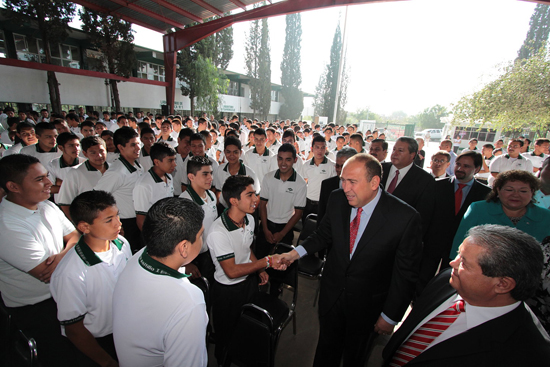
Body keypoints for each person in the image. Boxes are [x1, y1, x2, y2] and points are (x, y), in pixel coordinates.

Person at [279, 153, 423, 367]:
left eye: (352, 182)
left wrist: (390, 316)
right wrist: (293, 254)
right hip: (332, 294)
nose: (345, 187)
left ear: (375, 182)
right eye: (343, 180)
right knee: (326, 349)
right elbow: (323, 234)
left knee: (354, 357)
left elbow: (406, 274)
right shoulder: (338, 199)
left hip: (368, 306)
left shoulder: (404, 218)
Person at [383, 224, 550, 367]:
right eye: (458, 253)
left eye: (464, 262)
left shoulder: (529, 353)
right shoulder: (446, 280)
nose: (452, 263)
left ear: (502, 284)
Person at [0, 154, 80, 367]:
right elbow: (46, 274)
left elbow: (75, 236)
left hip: (62, 293)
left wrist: (60, 256)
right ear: (13, 187)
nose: (49, 183)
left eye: (46, 176)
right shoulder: (6, 224)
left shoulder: (46, 206)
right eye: (39, 179)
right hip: (36, 307)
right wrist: (69, 252)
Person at [113, 197, 208, 367]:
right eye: (201, 235)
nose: (203, 240)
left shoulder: (141, 255)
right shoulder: (189, 303)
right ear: (183, 247)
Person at [207, 175, 285, 364]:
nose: (255, 199)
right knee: (227, 334)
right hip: (228, 292)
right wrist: (266, 262)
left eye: (255, 194)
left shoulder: (249, 220)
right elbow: (231, 271)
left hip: (248, 284)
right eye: (249, 195)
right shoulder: (219, 232)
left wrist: (258, 268)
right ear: (234, 201)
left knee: (247, 329)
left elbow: (246, 247)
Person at [50, 190, 131, 367]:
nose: (118, 223)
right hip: (97, 342)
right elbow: (74, 329)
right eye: (109, 220)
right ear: (84, 227)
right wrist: (107, 362)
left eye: (117, 215)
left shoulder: (121, 244)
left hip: (124, 329)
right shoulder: (71, 273)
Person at [418, 151, 491, 294]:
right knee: (422, 279)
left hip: (462, 248)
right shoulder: (437, 186)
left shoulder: (485, 194)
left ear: (476, 169)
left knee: (449, 284)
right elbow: (424, 216)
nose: (460, 169)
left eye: (466, 166)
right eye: (458, 164)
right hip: (432, 244)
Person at [450, 169, 550, 258]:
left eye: (523, 191)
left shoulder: (546, 217)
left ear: (532, 192)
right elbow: (460, 245)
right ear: (498, 190)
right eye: (509, 190)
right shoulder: (478, 209)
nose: (515, 195)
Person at [95, 127, 144, 253]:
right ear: (121, 148)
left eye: (138, 144)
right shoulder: (117, 172)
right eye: (133, 145)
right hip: (125, 224)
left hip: (138, 220)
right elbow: (97, 197)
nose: (138, 148)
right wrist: (112, 221)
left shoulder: (136, 165)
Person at [256, 143, 307, 258]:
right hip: (266, 224)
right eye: (280, 159)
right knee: (260, 260)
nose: (283, 163)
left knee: (281, 266)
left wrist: (282, 234)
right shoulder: (268, 177)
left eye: (288, 160)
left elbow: (298, 213)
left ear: (295, 160)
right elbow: (263, 205)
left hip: (286, 228)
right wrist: (265, 229)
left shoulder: (300, 183)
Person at [381, 136, 435, 235]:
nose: (395, 154)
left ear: (412, 155)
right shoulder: (379, 169)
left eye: (400, 151)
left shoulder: (425, 180)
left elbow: (423, 216)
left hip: (400, 234)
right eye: (394, 149)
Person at [179, 156, 218, 282]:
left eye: (211, 173)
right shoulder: (185, 202)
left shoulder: (211, 196)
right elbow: (178, 236)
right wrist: (185, 263)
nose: (210, 178)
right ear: (191, 177)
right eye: (205, 174)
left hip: (211, 253)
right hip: (194, 257)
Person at [58, 136, 109, 220]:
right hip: (90, 222)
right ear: (85, 154)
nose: (99, 155)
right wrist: (77, 225)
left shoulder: (114, 169)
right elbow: (65, 203)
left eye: (101, 151)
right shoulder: (75, 173)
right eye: (93, 152)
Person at [133, 142, 176, 232]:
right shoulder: (144, 185)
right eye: (170, 160)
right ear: (156, 162)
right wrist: (152, 240)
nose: (174, 164)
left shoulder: (169, 177)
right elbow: (141, 219)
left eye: (174, 160)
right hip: (154, 233)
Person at [213, 136, 260, 207]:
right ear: (224, 152)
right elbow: (218, 191)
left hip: (243, 211)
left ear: (240, 153)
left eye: (235, 152)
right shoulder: (220, 169)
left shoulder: (249, 173)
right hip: (224, 209)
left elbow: (257, 196)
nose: (232, 155)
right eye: (228, 152)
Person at [318, 147, 357, 225]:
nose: (339, 170)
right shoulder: (327, 185)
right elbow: (322, 214)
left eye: (343, 166)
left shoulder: (361, 187)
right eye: (337, 166)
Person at [301, 135, 337, 222]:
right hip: (308, 203)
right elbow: (303, 183)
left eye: (322, 147)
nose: (320, 150)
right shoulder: (306, 165)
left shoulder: (332, 165)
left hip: (323, 204)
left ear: (326, 149)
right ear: (312, 148)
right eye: (317, 147)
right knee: (306, 227)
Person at [47, 132, 85, 202]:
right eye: (71, 145)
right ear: (61, 147)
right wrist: (74, 186)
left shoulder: (85, 163)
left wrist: (61, 184)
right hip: (61, 204)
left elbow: (87, 188)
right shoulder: (53, 164)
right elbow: (50, 188)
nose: (76, 149)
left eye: (78, 145)